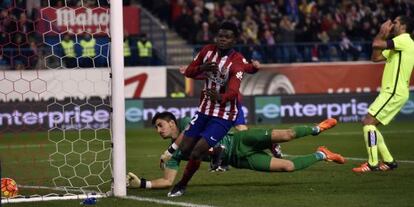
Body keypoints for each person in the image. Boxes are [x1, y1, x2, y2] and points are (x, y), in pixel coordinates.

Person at [126, 112, 344, 190]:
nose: (158, 130)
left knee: (286, 134)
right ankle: (322, 154)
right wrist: (142, 183)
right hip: (239, 159)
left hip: (240, 140)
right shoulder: (174, 155)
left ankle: (318, 128)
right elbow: (167, 181)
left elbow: (188, 135)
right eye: (156, 127)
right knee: (288, 166)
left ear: (172, 123)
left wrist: (171, 150)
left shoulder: (186, 123)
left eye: (160, 125)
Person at [166, 21, 261, 197]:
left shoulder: (236, 61)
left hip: (224, 114)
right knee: (185, 149)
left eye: (227, 37)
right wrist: (202, 68)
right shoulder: (207, 51)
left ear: (234, 40)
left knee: (196, 152)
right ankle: (217, 151)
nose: (222, 40)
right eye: (220, 36)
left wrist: (221, 97)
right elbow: (189, 72)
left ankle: (182, 184)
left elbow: (233, 92)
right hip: (204, 110)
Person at [352, 16, 414, 173]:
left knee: (368, 122)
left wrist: (381, 33)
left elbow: (377, 43)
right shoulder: (399, 45)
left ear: (404, 26)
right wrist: (381, 38)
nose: (392, 25)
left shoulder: (404, 40)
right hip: (394, 91)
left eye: (396, 23)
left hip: (394, 91)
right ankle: (389, 161)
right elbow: (376, 57)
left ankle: (372, 163)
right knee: (370, 125)